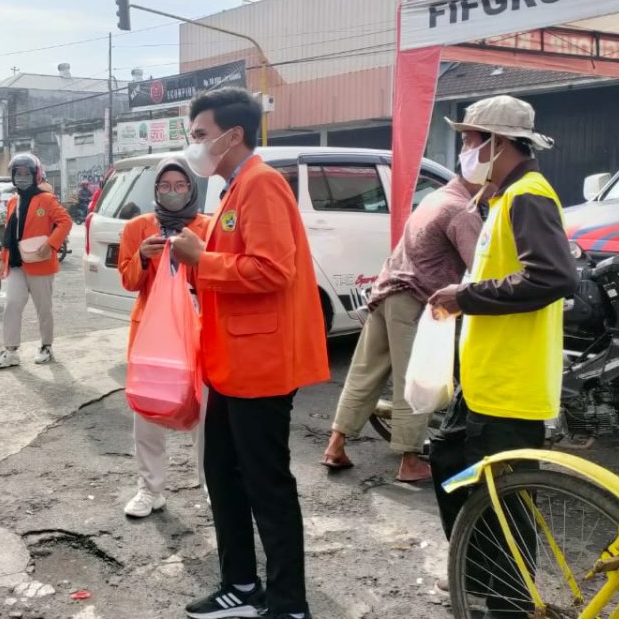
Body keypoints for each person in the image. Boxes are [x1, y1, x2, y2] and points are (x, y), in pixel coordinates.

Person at [171, 88, 328, 619]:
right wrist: (187, 247)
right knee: (223, 473)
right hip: (231, 364)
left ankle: (288, 603)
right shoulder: (234, 188)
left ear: (231, 135)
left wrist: (202, 259)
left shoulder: (262, 185)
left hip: (259, 367)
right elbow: (230, 254)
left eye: (198, 135)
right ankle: (240, 584)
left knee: (267, 485)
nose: (193, 146)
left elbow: (270, 270)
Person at [428, 96, 578, 612]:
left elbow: (554, 277)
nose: (465, 148)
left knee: (503, 511)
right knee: (454, 470)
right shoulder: (503, 196)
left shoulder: (528, 197)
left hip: (511, 387)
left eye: (471, 139)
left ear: (497, 143)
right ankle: (482, 579)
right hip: (488, 377)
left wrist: (467, 297)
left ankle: (506, 602)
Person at [321, 174, 483, 482]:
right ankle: (410, 461)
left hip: (385, 292)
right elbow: (481, 266)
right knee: (415, 380)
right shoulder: (463, 211)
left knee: (363, 372)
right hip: (415, 300)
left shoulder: (435, 199)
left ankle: (335, 445)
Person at [118, 159, 211, 518]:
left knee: (203, 415)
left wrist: (196, 257)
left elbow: (215, 276)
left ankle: (211, 489)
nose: (172, 192)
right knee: (148, 413)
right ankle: (149, 489)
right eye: (165, 186)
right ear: (155, 190)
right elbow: (128, 281)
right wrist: (142, 256)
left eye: (180, 185)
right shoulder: (139, 228)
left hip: (197, 335)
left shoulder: (207, 227)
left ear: (191, 187)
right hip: (152, 337)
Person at [0, 153, 73, 369]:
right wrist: (3, 260)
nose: (22, 178)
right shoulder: (12, 201)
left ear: (35, 175)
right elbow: (9, 234)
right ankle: (10, 351)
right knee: (12, 305)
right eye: (18, 174)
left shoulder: (46, 199)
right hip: (18, 264)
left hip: (41, 263)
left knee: (43, 309)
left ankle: (46, 346)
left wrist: (51, 243)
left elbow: (65, 221)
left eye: (27, 173)